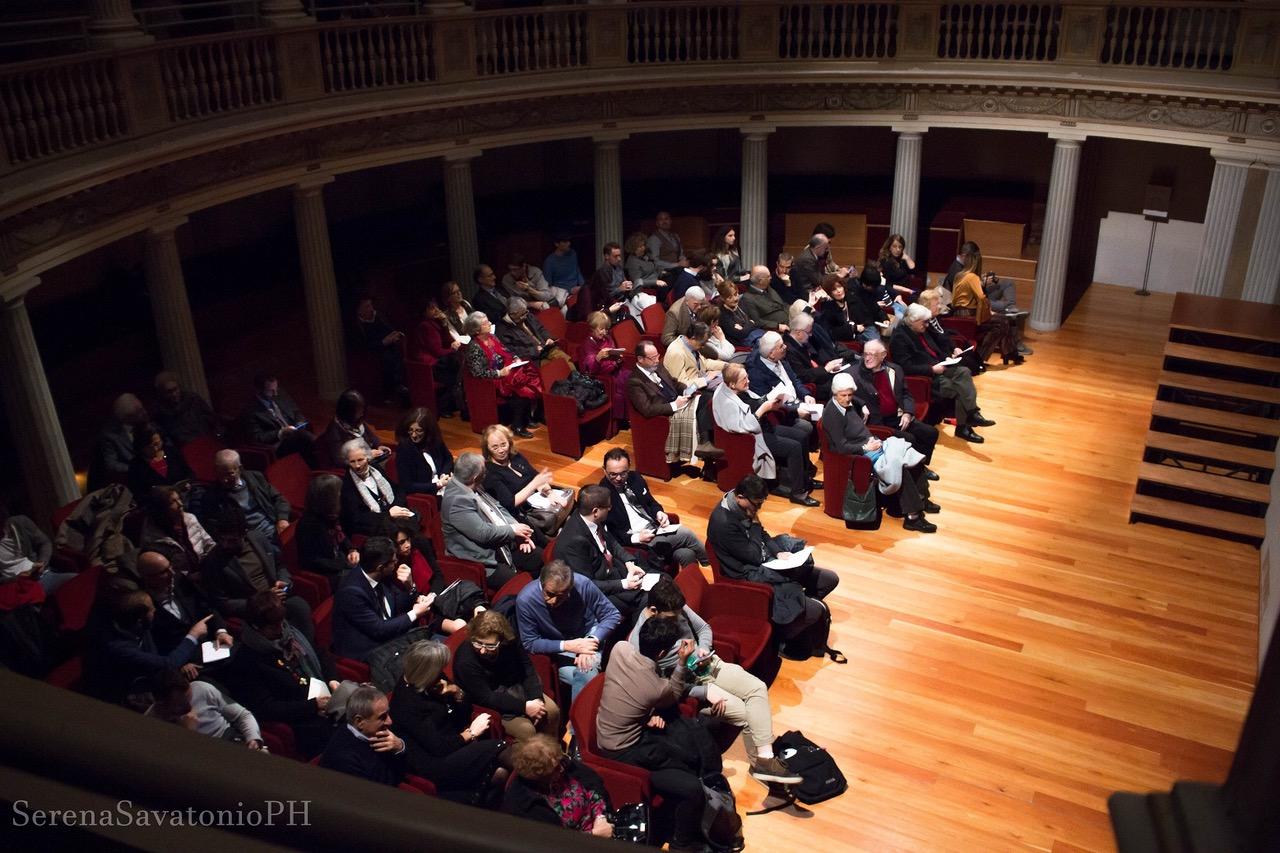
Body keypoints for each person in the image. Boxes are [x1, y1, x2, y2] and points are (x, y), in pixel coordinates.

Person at [630, 579, 803, 784]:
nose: (677, 618)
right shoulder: (642, 640)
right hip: (693, 684)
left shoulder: (675, 605)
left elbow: (703, 628)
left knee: (757, 688)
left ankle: (764, 762)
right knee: (746, 714)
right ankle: (763, 766)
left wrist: (703, 647)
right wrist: (703, 692)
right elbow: (663, 687)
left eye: (679, 613)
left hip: (709, 664)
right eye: (672, 616)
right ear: (653, 610)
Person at [598, 616, 730, 853]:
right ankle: (683, 842)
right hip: (624, 751)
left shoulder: (620, 648)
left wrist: (645, 714)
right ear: (661, 653)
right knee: (690, 782)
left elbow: (633, 693)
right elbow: (673, 693)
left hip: (621, 732)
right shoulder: (654, 687)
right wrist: (681, 662)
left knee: (685, 745)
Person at [706, 475, 842, 660]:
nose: (757, 509)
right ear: (739, 496)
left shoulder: (745, 507)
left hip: (766, 561)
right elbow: (753, 555)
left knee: (829, 579)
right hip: (748, 574)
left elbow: (762, 534)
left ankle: (797, 613)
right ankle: (782, 634)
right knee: (815, 611)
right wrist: (754, 524)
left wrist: (778, 553)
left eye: (760, 504)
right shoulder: (724, 523)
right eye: (755, 504)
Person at [389, 641, 510, 802]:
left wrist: (456, 691)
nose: (441, 672)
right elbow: (438, 747)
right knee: (502, 748)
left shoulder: (435, 679)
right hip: (436, 763)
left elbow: (464, 713)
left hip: (454, 743)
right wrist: (471, 733)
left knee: (500, 774)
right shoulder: (406, 703)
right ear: (424, 672)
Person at [222, 589, 337, 758]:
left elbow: (319, 653)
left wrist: (333, 680)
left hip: (321, 696)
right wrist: (313, 706)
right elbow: (267, 708)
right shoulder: (246, 661)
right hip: (300, 718)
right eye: (273, 626)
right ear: (256, 627)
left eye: (282, 622)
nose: (281, 629)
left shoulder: (289, 633)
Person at [824, 373, 939, 533]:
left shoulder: (847, 403)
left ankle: (922, 499)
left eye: (850, 395)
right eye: (844, 395)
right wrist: (866, 448)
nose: (848, 399)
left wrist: (862, 404)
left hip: (874, 444)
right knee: (899, 466)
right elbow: (841, 447)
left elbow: (854, 400)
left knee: (912, 456)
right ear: (834, 394)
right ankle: (913, 518)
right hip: (862, 453)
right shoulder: (832, 415)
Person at [201, 503, 313, 641]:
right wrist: (260, 601)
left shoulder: (258, 538)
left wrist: (283, 583)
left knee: (300, 607)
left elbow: (280, 565)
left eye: (232, 540)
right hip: (254, 610)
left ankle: (307, 651)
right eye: (222, 540)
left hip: (279, 598)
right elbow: (222, 602)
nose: (225, 545)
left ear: (244, 534)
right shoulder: (213, 562)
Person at [714, 363, 819, 506]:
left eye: (747, 377)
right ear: (732, 384)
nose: (748, 381)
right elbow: (745, 426)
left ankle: (805, 479)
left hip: (763, 427)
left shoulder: (739, 390)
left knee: (802, 436)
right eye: (744, 379)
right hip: (753, 437)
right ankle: (797, 493)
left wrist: (769, 401)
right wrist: (764, 408)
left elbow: (753, 402)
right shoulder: (727, 402)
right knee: (793, 447)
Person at [515, 560, 620, 703]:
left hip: (588, 634)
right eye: (549, 594)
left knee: (586, 668)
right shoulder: (526, 600)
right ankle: (581, 720)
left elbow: (612, 615)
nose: (553, 601)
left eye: (562, 595)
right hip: (557, 646)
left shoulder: (582, 584)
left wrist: (590, 640)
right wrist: (568, 646)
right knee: (591, 677)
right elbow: (530, 642)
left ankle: (576, 723)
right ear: (541, 582)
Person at [890, 303, 994, 444]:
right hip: (927, 375)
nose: (927, 325)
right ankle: (965, 426)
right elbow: (905, 367)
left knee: (964, 371)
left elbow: (937, 347)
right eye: (924, 322)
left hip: (940, 366)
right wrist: (931, 369)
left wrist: (947, 357)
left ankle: (972, 413)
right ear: (913, 321)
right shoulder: (899, 338)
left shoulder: (922, 329)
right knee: (960, 389)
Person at [83, 589, 207, 705]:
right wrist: (193, 635)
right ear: (140, 619)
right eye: (152, 610)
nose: (155, 611)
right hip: (124, 695)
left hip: (151, 674)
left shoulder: (134, 623)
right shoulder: (119, 648)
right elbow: (167, 664)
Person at [452, 610, 561, 742]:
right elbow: (486, 697)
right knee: (526, 730)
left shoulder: (510, 641)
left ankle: (553, 752)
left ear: (502, 640)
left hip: (514, 687)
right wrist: (524, 707)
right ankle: (535, 761)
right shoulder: (465, 661)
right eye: (478, 643)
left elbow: (526, 668)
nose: (482, 650)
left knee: (551, 711)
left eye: (490, 645)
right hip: (489, 701)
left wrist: (536, 698)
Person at [441, 452, 541, 590]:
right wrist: (513, 531)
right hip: (483, 560)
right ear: (475, 477)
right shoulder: (457, 502)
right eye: (484, 470)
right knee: (522, 587)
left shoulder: (472, 485)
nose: (486, 472)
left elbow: (498, 508)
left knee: (538, 557)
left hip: (501, 544)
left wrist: (517, 529)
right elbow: (483, 533)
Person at [599, 447, 707, 568]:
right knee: (686, 534)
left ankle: (689, 585)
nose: (619, 478)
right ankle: (714, 566)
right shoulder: (602, 495)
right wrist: (637, 537)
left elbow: (651, 502)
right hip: (637, 540)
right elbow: (610, 532)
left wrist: (659, 513)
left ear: (629, 467)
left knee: (687, 554)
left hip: (654, 528)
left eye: (623, 473)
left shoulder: (635, 478)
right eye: (613, 474)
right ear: (604, 470)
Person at [552, 485, 648, 619]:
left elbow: (611, 542)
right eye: (608, 506)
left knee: (658, 579)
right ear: (596, 511)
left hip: (612, 571)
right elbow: (586, 584)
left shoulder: (590, 518)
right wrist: (624, 584)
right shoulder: (573, 543)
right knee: (646, 602)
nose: (610, 508)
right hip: (597, 591)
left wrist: (629, 562)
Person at [331, 535, 433, 660]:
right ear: (380, 567)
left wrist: (411, 590)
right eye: (394, 562)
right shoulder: (351, 593)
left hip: (390, 636)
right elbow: (379, 629)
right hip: (369, 650)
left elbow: (397, 602)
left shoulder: (379, 574)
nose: (396, 564)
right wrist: (415, 613)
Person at [626, 341, 723, 470]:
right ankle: (706, 447)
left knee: (710, 398)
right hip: (666, 414)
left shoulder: (658, 366)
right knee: (706, 402)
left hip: (680, 400)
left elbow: (674, 383)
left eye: (657, 356)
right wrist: (674, 405)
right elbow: (647, 409)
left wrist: (687, 390)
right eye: (652, 358)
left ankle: (708, 451)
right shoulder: (635, 381)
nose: (656, 360)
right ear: (640, 359)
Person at [851, 338, 939, 470]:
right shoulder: (854, 374)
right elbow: (838, 393)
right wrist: (861, 403)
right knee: (909, 439)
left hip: (897, 417)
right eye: (865, 354)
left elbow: (905, 394)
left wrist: (908, 413)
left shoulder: (895, 370)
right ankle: (913, 471)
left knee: (930, 433)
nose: (868, 358)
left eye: (873, 354)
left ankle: (919, 466)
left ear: (883, 355)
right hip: (876, 422)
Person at [503, 734, 614, 837]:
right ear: (540, 775)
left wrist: (601, 816)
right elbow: (552, 841)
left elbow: (592, 784)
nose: (561, 769)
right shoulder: (525, 805)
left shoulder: (564, 765)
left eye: (560, 761)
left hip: (603, 823)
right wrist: (594, 835)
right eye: (555, 769)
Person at [136, 548, 232, 656]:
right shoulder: (142, 603)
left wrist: (220, 631)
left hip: (212, 642)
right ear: (147, 577)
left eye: (170, 566)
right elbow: (155, 641)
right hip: (184, 658)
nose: (171, 572)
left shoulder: (179, 580)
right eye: (163, 572)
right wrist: (181, 662)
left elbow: (207, 605)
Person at [461, 310, 540, 439]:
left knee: (529, 379)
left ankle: (525, 418)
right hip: (489, 382)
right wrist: (499, 373)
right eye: (486, 323)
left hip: (504, 373)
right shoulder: (474, 348)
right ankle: (517, 425)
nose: (490, 323)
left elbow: (506, 351)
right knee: (521, 389)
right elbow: (478, 373)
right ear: (477, 330)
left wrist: (515, 358)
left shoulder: (493, 337)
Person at [482, 424, 569, 535]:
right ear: (487, 449)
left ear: (509, 442)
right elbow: (510, 503)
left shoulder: (515, 456)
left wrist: (549, 493)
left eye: (503, 444)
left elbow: (535, 476)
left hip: (537, 497)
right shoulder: (490, 472)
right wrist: (533, 485)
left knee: (569, 502)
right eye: (495, 447)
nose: (501, 450)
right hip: (520, 512)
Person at [391, 523, 477, 635]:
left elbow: (438, 576)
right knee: (459, 627)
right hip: (419, 611)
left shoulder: (419, 545)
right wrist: (415, 594)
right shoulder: (391, 565)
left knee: (476, 605)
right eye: (401, 543)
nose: (407, 545)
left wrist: (432, 595)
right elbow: (401, 605)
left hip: (436, 597)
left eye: (407, 539)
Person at [146, 670, 264, 750]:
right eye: (180, 702)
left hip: (229, 738)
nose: (188, 705)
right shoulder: (153, 721)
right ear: (162, 702)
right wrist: (188, 732)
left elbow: (243, 715)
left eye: (188, 697)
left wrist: (253, 737)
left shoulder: (201, 688)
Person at [192, 449, 290, 543]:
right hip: (251, 540)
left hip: (273, 527)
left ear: (239, 468)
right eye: (220, 474)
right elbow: (216, 528)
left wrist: (282, 519)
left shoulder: (256, 478)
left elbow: (279, 499)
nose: (224, 480)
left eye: (230, 474)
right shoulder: (212, 497)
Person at [319, 684, 407, 786]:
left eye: (388, 713)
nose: (390, 721)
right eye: (382, 717)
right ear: (360, 721)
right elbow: (383, 788)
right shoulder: (345, 761)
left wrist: (400, 747)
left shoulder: (374, 733)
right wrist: (398, 752)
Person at [949, 246, 1023, 365]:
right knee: (1002, 323)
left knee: (1002, 321)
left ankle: (1009, 353)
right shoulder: (972, 277)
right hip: (968, 315)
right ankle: (982, 357)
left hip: (959, 312)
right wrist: (987, 313)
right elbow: (981, 297)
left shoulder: (960, 275)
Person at [295, 473, 360, 591]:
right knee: (365, 578)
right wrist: (345, 564)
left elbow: (341, 535)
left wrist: (351, 549)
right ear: (327, 500)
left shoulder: (331, 515)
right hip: (328, 574)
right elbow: (313, 561)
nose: (343, 497)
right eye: (338, 494)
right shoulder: (308, 525)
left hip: (341, 561)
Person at [338, 439, 416, 536]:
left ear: (368, 457)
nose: (357, 466)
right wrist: (388, 514)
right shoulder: (347, 485)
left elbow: (398, 490)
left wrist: (397, 507)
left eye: (360, 460)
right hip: (375, 526)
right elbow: (356, 518)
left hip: (392, 514)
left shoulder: (376, 469)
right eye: (352, 461)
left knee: (414, 517)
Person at [236, 374, 317, 467]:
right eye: (270, 391)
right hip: (278, 444)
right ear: (258, 391)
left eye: (276, 389)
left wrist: (299, 422)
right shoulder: (250, 411)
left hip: (294, 433)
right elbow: (257, 437)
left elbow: (296, 412)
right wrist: (281, 432)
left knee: (305, 438)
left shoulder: (280, 394)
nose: (275, 394)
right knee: (304, 437)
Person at [138, 485, 215, 580]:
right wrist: (187, 578)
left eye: (179, 499)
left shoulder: (190, 519)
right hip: (180, 584)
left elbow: (209, 543)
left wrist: (212, 562)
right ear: (161, 509)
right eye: (172, 502)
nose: (180, 504)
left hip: (205, 570)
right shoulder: (152, 537)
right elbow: (158, 572)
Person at [0, 505, 76, 599]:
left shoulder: (19, 523)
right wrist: (17, 579)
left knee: (80, 581)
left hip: (41, 578)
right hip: (12, 589)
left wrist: (41, 563)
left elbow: (44, 543)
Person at [408, 299, 463, 418]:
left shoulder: (436, 322)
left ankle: (455, 403)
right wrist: (452, 349)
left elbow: (447, 340)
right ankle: (444, 407)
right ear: (424, 311)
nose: (436, 310)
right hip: (429, 363)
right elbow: (437, 351)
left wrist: (444, 323)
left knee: (456, 363)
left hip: (438, 359)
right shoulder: (425, 326)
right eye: (432, 308)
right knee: (454, 365)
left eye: (436, 307)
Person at [782, 312, 852, 402]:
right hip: (811, 386)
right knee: (842, 385)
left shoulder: (799, 342)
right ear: (798, 333)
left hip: (817, 377)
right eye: (809, 332)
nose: (811, 335)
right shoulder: (788, 349)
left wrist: (829, 367)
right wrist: (825, 369)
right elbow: (802, 376)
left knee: (846, 375)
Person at [88, 392, 150, 491]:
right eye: (138, 412)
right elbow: (112, 465)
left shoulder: (148, 425)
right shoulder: (110, 435)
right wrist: (135, 469)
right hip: (131, 480)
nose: (144, 413)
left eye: (142, 409)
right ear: (126, 417)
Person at [355, 295, 409, 406]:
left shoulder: (378, 316)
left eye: (371, 305)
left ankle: (401, 388)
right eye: (367, 306)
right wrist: (383, 342)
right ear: (359, 310)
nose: (371, 309)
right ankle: (395, 389)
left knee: (397, 354)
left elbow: (389, 329)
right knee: (388, 358)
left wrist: (395, 335)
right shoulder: (357, 325)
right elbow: (363, 345)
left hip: (388, 347)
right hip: (373, 352)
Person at [318, 388, 389, 470]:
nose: (362, 412)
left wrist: (379, 446)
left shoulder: (357, 421)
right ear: (348, 412)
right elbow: (340, 461)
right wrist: (367, 455)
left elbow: (372, 437)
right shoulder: (334, 431)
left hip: (369, 462)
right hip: (355, 469)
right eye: (359, 410)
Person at [579, 310, 631, 421]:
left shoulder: (608, 339)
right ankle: (623, 417)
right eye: (601, 329)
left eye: (606, 329)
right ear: (592, 329)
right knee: (622, 383)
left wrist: (617, 360)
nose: (604, 332)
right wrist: (598, 358)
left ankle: (632, 414)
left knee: (632, 377)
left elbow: (613, 358)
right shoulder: (588, 344)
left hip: (613, 370)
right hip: (600, 378)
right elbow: (592, 370)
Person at [394, 407, 454, 497]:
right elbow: (408, 485)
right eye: (410, 430)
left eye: (419, 431)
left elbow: (448, 458)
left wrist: (444, 474)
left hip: (443, 486)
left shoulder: (435, 441)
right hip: (427, 494)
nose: (413, 435)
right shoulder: (404, 450)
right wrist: (437, 485)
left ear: (428, 431)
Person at [496, 296, 572, 366]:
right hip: (533, 360)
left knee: (565, 360)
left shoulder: (527, 315)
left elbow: (540, 328)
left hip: (546, 348)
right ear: (512, 314)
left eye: (526, 312)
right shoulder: (502, 331)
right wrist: (535, 350)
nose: (525, 316)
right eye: (522, 315)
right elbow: (514, 351)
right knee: (555, 368)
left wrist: (548, 338)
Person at [152, 372, 220, 446]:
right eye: (169, 392)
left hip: (204, 440)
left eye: (175, 389)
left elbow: (211, 417)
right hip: (183, 447)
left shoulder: (193, 399)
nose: (174, 394)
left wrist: (216, 434)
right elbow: (164, 434)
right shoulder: (160, 410)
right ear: (162, 393)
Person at [126, 423, 193, 498]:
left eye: (157, 444)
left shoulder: (171, 452)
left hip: (185, 495)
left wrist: (187, 483)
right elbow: (138, 493)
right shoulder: (136, 466)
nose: (155, 449)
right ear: (141, 447)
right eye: (150, 447)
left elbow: (188, 472)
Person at [575, 241, 632, 324]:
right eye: (616, 256)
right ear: (606, 256)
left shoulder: (618, 268)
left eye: (619, 256)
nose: (619, 259)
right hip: (602, 308)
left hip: (620, 301)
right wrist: (620, 289)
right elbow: (604, 295)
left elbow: (623, 283)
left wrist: (627, 285)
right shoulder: (602, 273)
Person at [817, 273, 879, 343]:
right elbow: (831, 331)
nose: (839, 291)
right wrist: (853, 328)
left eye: (840, 286)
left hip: (863, 329)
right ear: (829, 293)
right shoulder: (828, 308)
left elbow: (866, 316)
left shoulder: (852, 298)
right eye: (834, 289)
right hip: (846, 336)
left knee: (874, 340)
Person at [741, 265, 791, 334]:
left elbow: (781, 303)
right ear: (761, 281)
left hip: (789, 316)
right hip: (779, 327)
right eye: (768, 276)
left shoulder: (768, 287)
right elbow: (757, 321)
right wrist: (777, 326)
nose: (771, 278)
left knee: (802, 306)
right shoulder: (748, 298)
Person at [715, 280, 763, 348]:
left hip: (758, 334)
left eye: (735, 294)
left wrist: (744, 327)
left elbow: (758, 322)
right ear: (723, 298)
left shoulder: (742, 303)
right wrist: (751, 323)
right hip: (745, 342)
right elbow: (739, 334)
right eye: (730, 297)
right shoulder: (722, 314)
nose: (735, 299)